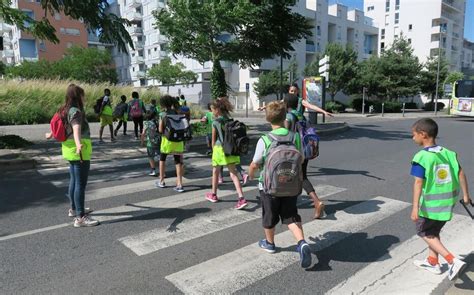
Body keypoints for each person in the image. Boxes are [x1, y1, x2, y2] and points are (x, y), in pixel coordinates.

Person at [248, 100, 312, 268]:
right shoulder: (295, 136)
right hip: (291, 185)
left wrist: (251, 175)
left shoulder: (265, 139)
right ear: (285, 117)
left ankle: (269, 243)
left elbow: (255, 163)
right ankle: (302, 242)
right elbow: (302, 158)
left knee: (269, 216)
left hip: (270, 187)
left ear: (268, 119)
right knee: (291, 215)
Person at [410, 118, 471, 280]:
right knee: (434, 232)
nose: (412, 138)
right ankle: (432, 261)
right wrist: (466, 195)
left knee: (423, 231)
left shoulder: (421, 157)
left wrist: (415, 207)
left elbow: (418, 182)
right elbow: (460, 173)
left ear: (423, 135)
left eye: (413, 134)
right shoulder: (448, 153)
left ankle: (451, 260)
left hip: (430, 205)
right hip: (447, 202)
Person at [59, 84, 99, 227]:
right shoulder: (75, 111)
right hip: (79, 151)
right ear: (78, 96)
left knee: (74, 181)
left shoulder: (64, 109)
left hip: (69, 149)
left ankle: (74, 209)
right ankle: (80, 217)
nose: (84, 97)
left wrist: (50, 134)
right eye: (83, 95)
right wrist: (78, 145)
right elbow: (76, 128)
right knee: (80, 184)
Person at [285, 93, 326, 219]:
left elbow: (286, 134)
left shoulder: (289, 116)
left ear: (286, 104)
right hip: (305, 149)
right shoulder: (300, 115)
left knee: (299, 177)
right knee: (298, 176)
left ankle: (316, 201)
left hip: (295, 151)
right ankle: (292, 201)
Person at [205, 97, 248, 210]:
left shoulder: (216, 122)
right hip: (231, 149)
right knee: (233, 174)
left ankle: (213, 194)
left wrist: (212, 149)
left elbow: (214, 140)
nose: (212, 112)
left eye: (213, 109)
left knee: (215, 172)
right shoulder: (230, 120)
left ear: (217, 110)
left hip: (219, 149)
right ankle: (241, 198)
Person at [156, 95, 185, 192]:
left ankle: (161, 181)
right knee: (178, 161)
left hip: (167, 140)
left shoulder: (163, 114)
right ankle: (180, 184)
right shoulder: (177, 112)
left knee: (162, 159)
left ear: (163, 104)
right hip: (178, 140)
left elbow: (160, 130)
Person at [141, 108, 161, 177]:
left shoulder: (146, 123)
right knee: (160, 156)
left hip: (150, 143)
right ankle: (162, 172)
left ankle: (153, 170)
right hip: (159, 141)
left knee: (150, 157)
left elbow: (143, 133)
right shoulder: (157, 122)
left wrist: (142, 142)